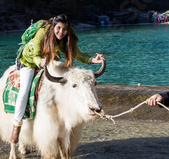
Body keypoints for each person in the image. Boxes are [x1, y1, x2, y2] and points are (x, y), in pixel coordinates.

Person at [10, 14, 106, 144]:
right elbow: (35, 53)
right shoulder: (43, 32)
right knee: (24, 91)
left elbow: (76, 53)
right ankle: (17, 125)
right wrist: (40, 61)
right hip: (30, 60)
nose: (61, 32)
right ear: (53, 26)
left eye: (65, 29)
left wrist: (94, 60)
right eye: (58, 28)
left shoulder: (67, 35)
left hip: (49, 59)